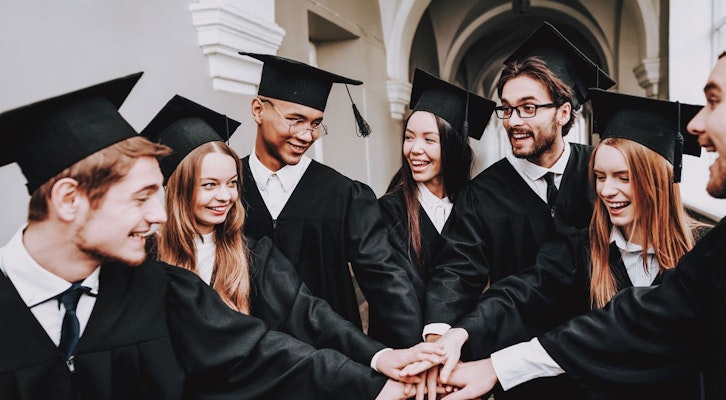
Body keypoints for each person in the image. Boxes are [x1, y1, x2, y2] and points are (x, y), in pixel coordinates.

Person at [433, 1, 726, 399]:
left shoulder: (717, 243)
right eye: (600, 178)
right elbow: (596, 311)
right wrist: (480, 353)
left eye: (714, 100)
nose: (696, 124)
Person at [0, 73, 419, 400]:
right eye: (143, 196)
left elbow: (258, 351)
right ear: (69, 199)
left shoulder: (160, 287)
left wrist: (374, 380)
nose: (157, 213)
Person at [405, 89, 707, 399]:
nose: (607, 190)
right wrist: (459, 333)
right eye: (600, 177)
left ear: (657, 179)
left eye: (623, 177)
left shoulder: (705, 250)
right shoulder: (583, 247)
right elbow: (522, 292)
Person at [144, 94, 444, 381]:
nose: (224, 196)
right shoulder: (144, 260)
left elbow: (322, 307)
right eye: (209, 185)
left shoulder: (253, 251)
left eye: (232, 184)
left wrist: (397, 353)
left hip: (310, 368)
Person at [421, 21, 615, 399]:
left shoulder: (600, 174)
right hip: (514, 362)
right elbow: (458, 268)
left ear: (563, 112)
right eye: (507, 110)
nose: (514, 122)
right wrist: (439, 334)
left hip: (596, 349)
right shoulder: (483, 193)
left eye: (528, 109)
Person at [238, 52, 422, 348]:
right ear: (258, 110)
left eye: (315, 124)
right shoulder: (229, 188)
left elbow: (384, 277)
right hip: (250, 356)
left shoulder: (344, 195)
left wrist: (415, 351)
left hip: (331, 358)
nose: (306, 135)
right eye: (296, 120)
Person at [379, 68, 495, 307]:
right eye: (409, 137)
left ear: (453, 146)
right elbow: (396, 292)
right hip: (409, 338)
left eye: (429, 139)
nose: (414, 149)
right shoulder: (390, 210)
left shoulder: (472, 204)